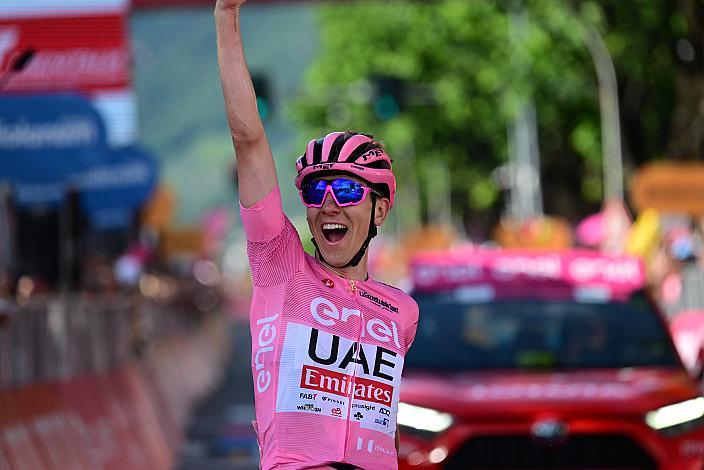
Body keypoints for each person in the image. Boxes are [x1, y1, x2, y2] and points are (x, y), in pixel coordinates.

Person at [214, 1, 419, 469]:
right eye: (315, 189)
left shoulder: (402, 312)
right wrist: (225, 16)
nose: (328, 201)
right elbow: (248, 142)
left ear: (379, 209)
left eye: (346, 189)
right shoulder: (278, 268)